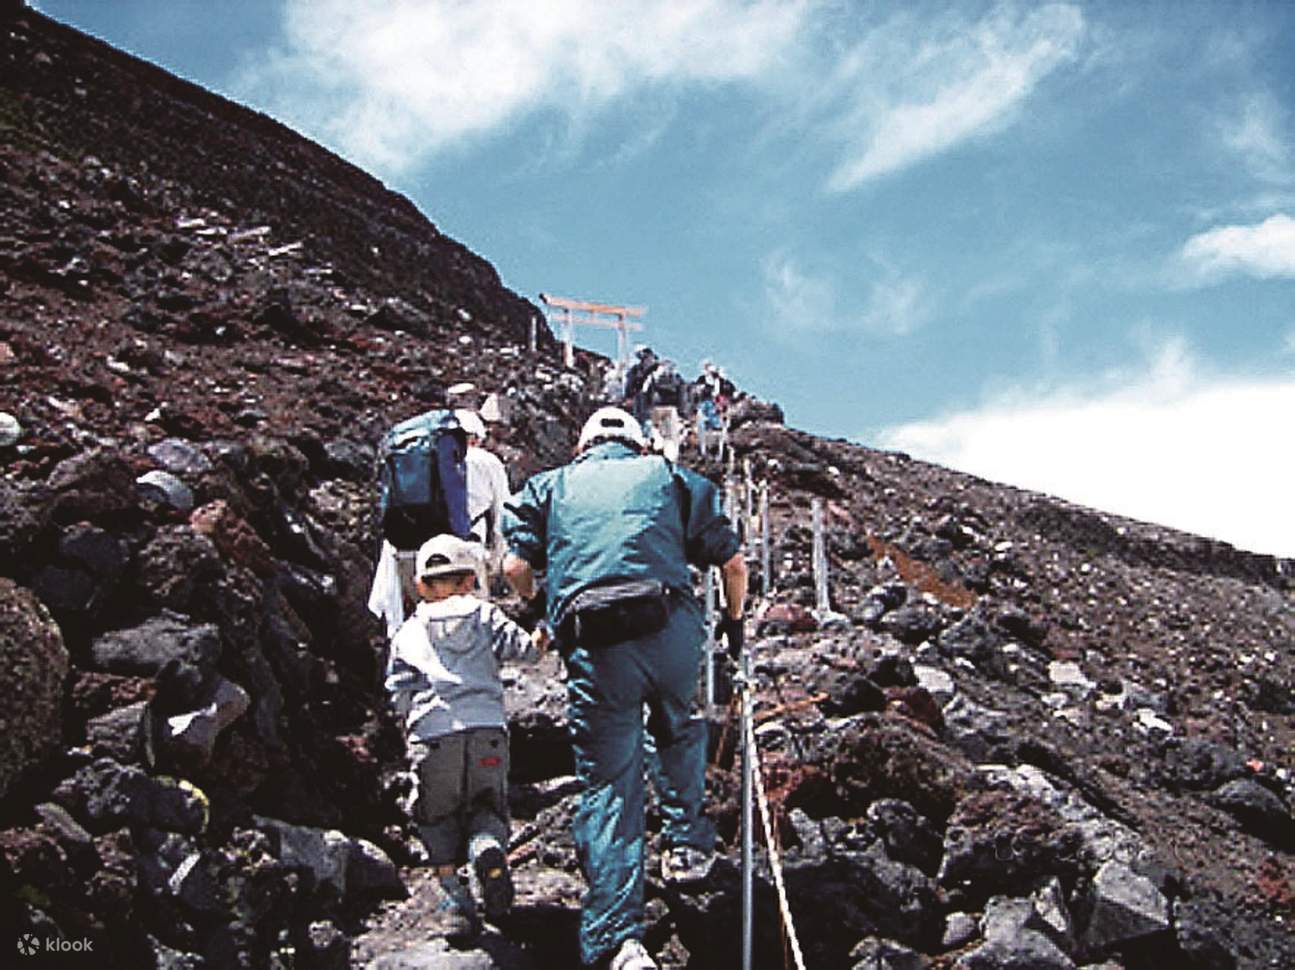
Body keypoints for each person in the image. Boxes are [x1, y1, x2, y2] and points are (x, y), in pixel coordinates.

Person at [502, 406, 748, 970]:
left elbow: (514, 565)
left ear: (581, 447)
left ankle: (620, 940)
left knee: (610, 783)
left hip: (596, 642)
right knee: (678, 731)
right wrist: (734, 626)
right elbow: (732, 564)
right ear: (639, 445)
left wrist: (542, 607)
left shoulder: (549, 486)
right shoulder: (671, 477)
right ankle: (687, 848)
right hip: (668, 629)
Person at [385, 534, 547, 940]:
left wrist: (413, 724)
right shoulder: (485, 614)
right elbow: (529, 652)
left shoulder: (408, 631)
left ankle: (454, 900)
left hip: (434, 736)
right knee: (488, 803)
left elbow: (398, 691)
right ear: (471, 580)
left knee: (435, 815)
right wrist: (545, 629)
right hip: (487, 731)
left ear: (420, 585)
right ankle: (486, 847)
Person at [456, 408, 511, 583]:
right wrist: (497, 561)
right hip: (469, 549)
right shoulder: (487, 461)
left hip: (422, 550)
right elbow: (502, 513)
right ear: (475, 438)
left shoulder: (428, 457)